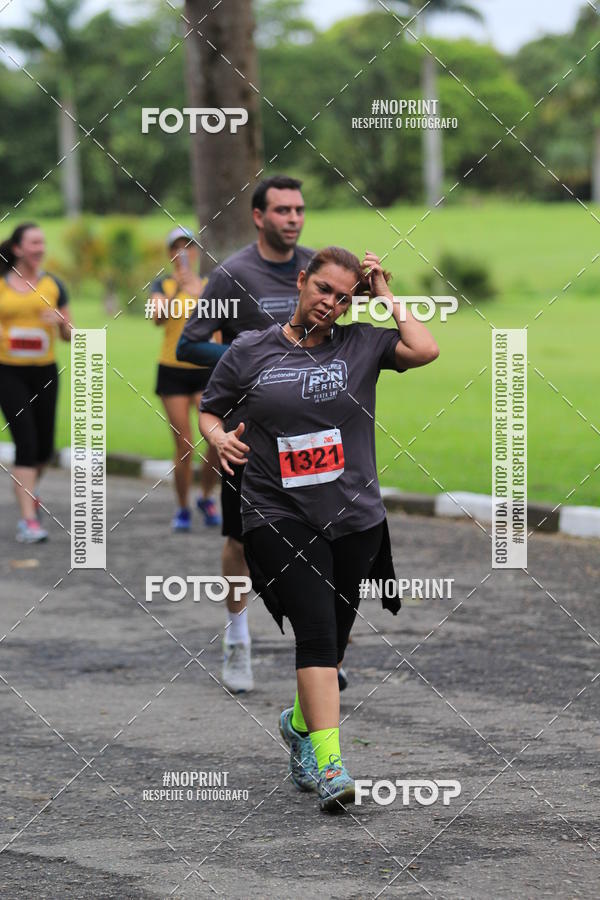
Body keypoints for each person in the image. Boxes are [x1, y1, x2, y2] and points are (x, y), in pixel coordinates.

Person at [199, 246, 439, 812]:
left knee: (335, 639)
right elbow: (211, 408)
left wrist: (383, 295)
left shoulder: (363, 343)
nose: (331, 303)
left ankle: (299, 722)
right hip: (278, 512)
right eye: (323, 290)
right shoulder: (251, 350)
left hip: (355, 517)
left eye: (344, 296)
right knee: (315, 634)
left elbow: (425, 348)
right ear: (302, 283)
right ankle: (330, 764)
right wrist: (215, 436)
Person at [177, 175, 314, 694]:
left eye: (299, 209)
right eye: (282, 210)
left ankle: (319, 648)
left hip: (312, 431)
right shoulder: (232, 275)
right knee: (240, 539)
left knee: (318, 537)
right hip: (246, 433)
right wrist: (247, 359)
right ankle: (237, 637)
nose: (293, 218)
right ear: (258, 216)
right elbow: (190, 344)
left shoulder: (316, 268)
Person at [0, 222, 73, 543]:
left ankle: (30, 489)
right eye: (33, 243)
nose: (40, 248)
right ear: (18, 249)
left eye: (42, 242)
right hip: (8, 371)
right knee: (26, 443)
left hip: (44, 372)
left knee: (43, 449)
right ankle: (28, 522)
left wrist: (61, 322)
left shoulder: (54, 285)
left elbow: (71, 335)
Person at [150, 227, 221, 532]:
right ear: (170, 255)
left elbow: (219, 324)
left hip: (206, 370)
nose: (184, 253)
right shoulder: (163, 284)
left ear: (197, 252)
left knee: (217, 439)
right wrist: (178, 289)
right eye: (177, 248)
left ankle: (206, 496)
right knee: (185, 444)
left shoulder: (210, 285)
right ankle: (182, 507)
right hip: (173, 370)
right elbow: (157, 318)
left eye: (189, 247)